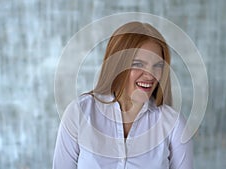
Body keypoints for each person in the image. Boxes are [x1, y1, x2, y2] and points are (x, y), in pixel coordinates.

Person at [52, 21, 193, 169]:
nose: (150, 75)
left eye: (157, 65)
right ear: (117, 65)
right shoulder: (80, 112)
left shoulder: (174, 124)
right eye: (138, 64)